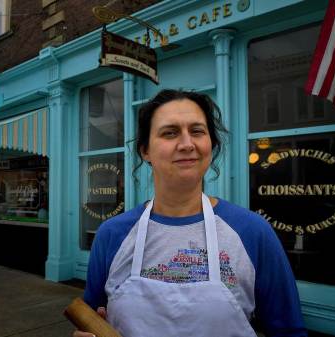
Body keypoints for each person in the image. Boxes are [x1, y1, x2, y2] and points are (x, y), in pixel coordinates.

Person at [73, 89, 306, 337]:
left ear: (211, 145)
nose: (187, 144)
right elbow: (91, 318)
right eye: (170, 132)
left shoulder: (252, 232)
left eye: (197, 131)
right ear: (145, 151)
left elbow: (288, 331)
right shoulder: (112, 234)